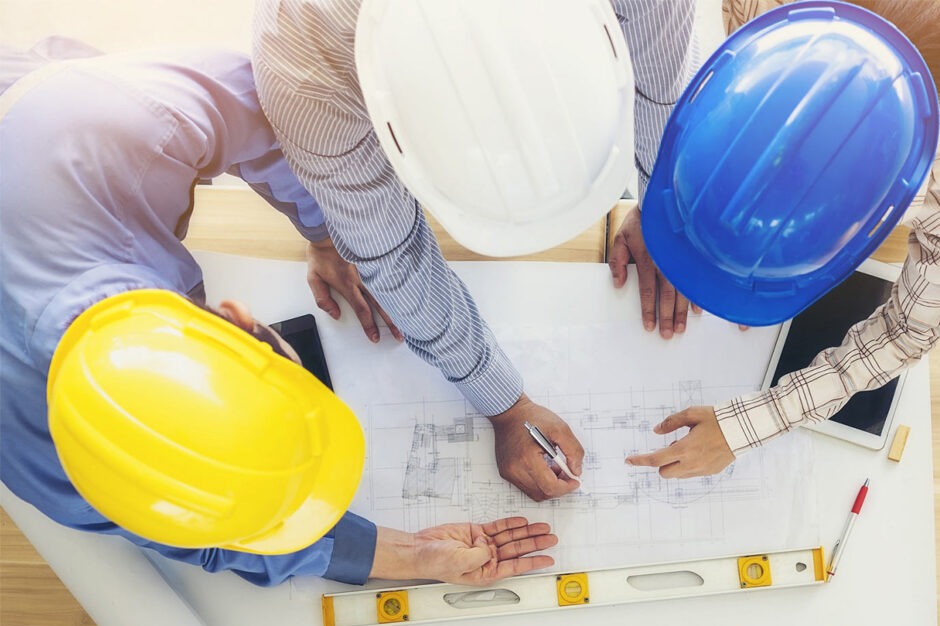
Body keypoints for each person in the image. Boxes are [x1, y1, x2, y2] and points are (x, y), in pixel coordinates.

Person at [0, 39, 557, 587]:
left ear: (238, 320)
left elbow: (283, 119)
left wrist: (327, 233)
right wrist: (408, 558)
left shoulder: (131, 121)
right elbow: (205, 533)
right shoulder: (54, 474)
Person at [252, 0, 698, 501]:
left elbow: (664, 91)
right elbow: (394, 254)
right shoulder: (305, 68)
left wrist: (663, 217)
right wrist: (504, 406)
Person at [610, 0, 940, 477]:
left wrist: (750, 426)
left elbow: (909, 331)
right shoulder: (774, 15)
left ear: (872, 220)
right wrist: (671, 209)